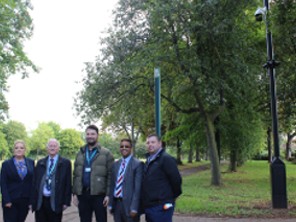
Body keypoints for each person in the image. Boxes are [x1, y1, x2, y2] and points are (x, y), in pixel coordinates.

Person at [73, 124, 114, 222]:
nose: (90, 136)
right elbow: (75, 175)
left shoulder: (106, 153)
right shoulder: (80, 153)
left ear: (97, 135)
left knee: (101, 220)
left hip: (99, 195)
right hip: (83, 195)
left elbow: (111, 175)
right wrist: (75, 193)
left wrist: (108, 195)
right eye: (88, 134)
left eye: (92, 134)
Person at [142, 134, 182, 222]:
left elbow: (176, 180)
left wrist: (171, 198)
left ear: (160, 144)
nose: (150, 144)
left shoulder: (166, 159)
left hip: (162, 206)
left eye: (153, 142)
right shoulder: (149, 160)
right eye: (148, 143)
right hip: (150, 206)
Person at [32, 138, 72, 222]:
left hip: (56, 200)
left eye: (55, 146)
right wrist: (33, 200)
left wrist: (66, 202)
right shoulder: (40, 163)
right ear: (47, 148)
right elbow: (35, 182)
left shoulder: (65, 163)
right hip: (41, 201)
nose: (52, 148)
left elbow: (68, 184)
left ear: (58, 148)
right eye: (50, 146)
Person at [108, 139, 143, 222]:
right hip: (117, 205)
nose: (124, 148)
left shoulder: (137, 164)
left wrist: (134, 207)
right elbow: (113, 185)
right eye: (121, 146)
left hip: (130, 205)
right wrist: (110, 204)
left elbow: (137, 189)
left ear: (131, 148)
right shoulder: (115, 164)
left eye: (126, 146)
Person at [0, 140, 34, 222]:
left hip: (25, 200)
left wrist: (31, 201)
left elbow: (33, 182)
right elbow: (3, 183)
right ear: (13, 150)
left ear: (25, 150)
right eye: (16, 148)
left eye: (21, 148)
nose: (19, 149)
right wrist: (6, 200)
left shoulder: (31, 162)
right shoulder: (6, 164)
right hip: (11, 201)